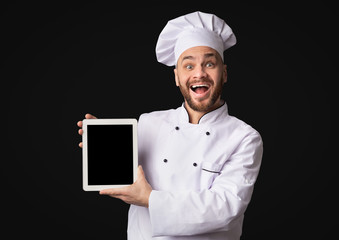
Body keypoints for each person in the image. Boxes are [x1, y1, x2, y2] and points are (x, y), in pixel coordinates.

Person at [77, 11, 263, 240]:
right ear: (176, 77)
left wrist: (149, 199)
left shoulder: (244, 137)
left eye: (209, 63)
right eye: (188, 66)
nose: (199, 73)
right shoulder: (148, 122)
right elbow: (126, 175)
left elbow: (225, 209)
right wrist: (107, 148)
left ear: (223, 74)